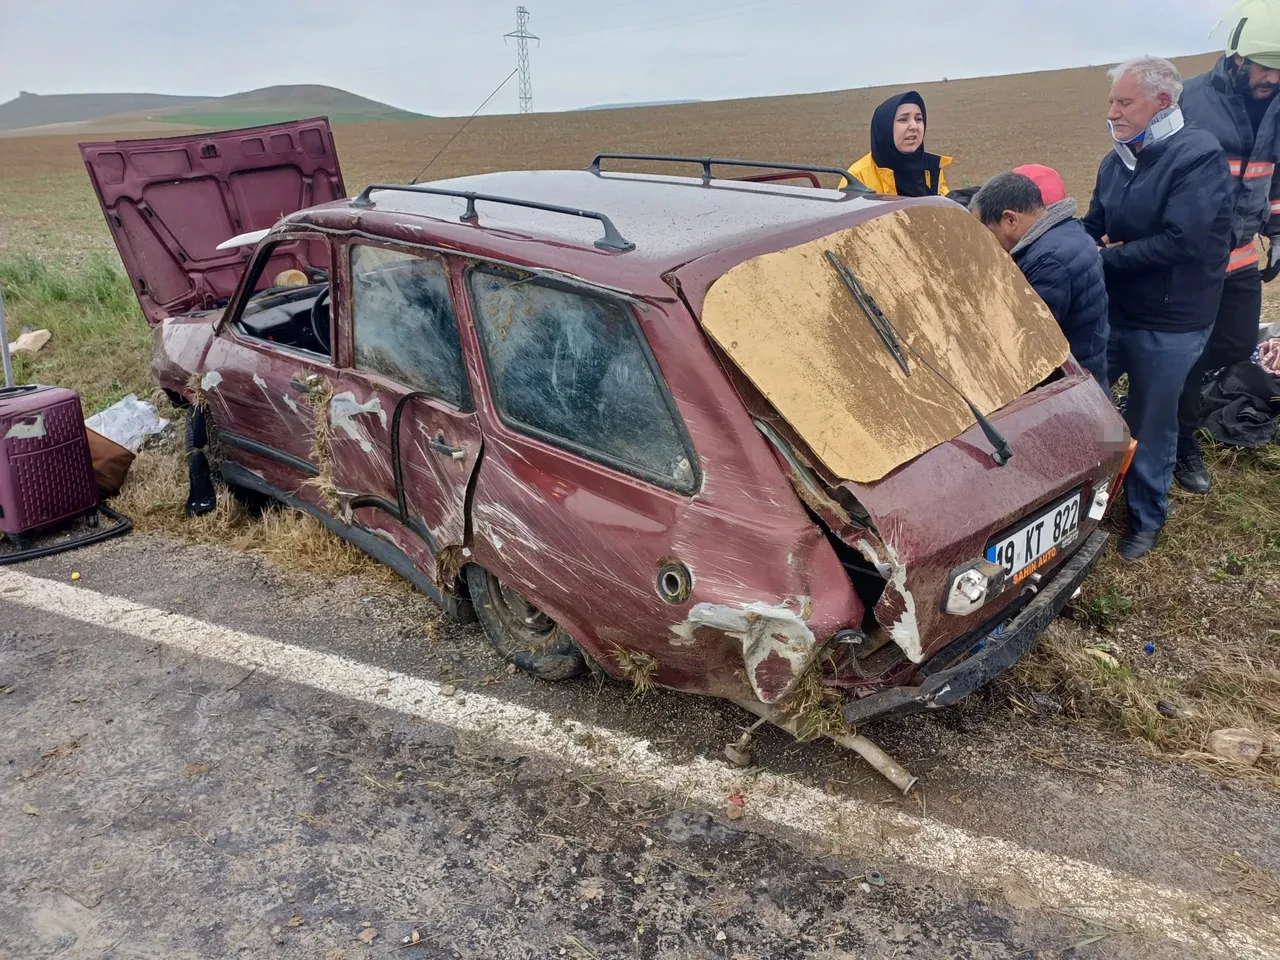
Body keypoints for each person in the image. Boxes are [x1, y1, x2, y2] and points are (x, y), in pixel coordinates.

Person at [1081, 56, 1233, 561]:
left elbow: (1181, 241)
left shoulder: (1197, 155)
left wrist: (1109, 257)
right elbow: (1095, 221)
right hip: (1119, 308)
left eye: (1124, 102)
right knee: (1096, 405)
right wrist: (1072, 250)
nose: (1112, 112)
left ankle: (1146, 518)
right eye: (1110, 102)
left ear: (1162, 103)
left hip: (1172, 319)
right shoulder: (1116, 161)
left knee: (1151, 419)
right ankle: (1096, 495)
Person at [1174, 8, 1280, 494]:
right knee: (1188, 350)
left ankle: (1173, 399)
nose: (1273, 77)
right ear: (1236, 58)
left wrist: (1276, 230)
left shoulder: (1278, 103)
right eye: (1264, 66)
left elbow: (1273, 174)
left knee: (1236, 346)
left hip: (1240, 253)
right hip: (1192, 254)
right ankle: (1181, 443)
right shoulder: (1190, 100)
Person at [970, 169, 1110, 388]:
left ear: (1010, 219)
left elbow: (1024, 339)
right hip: (1083, 375)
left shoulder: (1050, 262)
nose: (987, 244)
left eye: (987, 233)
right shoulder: (1066, 231)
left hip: (1065, 391)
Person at [840, 91, 952, 196]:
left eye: (918, 119)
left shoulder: (931, 169)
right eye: (903, 119)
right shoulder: (858, 176)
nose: (914, 126)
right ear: (885, 127)